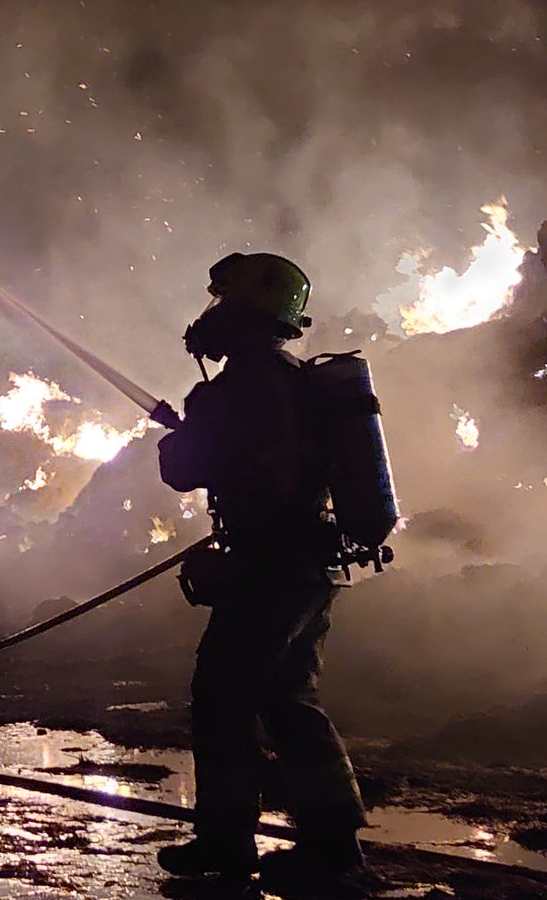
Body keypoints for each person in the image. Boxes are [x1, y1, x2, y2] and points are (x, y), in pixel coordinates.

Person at [155, 253, 368, 888]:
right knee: (290, 699)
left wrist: (184, 430)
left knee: (223, 696)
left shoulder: (242, 386)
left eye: (224, 304)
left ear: (246, 315)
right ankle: (335, 846)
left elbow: (182, 470)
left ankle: (225, 844)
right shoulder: (297, 377)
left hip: (269, 568)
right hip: (312, 563)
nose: (211, 316)